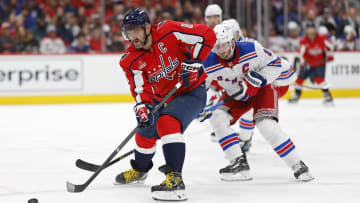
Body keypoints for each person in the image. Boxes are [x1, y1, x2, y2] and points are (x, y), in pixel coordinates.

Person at [115, 9, 216, 201]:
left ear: (147, 27)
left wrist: (194, 63)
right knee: (144, 129)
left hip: (191, 91)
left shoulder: (168, 30)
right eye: (129, 32)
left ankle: (174, 179)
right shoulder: (130, 59)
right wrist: (142, 106)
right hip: (163, 97)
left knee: (166, 122)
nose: (133, 36)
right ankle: (140, 170)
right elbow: (140, 88)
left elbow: (206, 34)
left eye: (136, 30)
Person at [199, 24, 314, 182]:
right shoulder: (207, 60)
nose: (222, 51)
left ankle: (298, 164)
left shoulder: (251, 48)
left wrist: (259, 79)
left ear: (232, 42)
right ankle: (238, 163)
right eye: (217, 47)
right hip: (235, 94)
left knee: (266, 125)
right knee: (217, 117)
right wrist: (198, 106)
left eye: (224, 45)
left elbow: (276, 64)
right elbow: (199, 86)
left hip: (261, 90)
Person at [289, 23, 334, 104]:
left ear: (314, 29)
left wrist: (330, 56)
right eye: (308, 28)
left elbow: (330, 47)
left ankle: (328, 96)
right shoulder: (303, 40)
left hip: (320, 63)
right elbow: (301, 53)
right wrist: (303, 62)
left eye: (312, 28)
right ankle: (296, 95)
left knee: (320, 80)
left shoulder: (322, 38)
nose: (310, 30)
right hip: (309, 63)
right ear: (306, 30)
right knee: (299, 79)